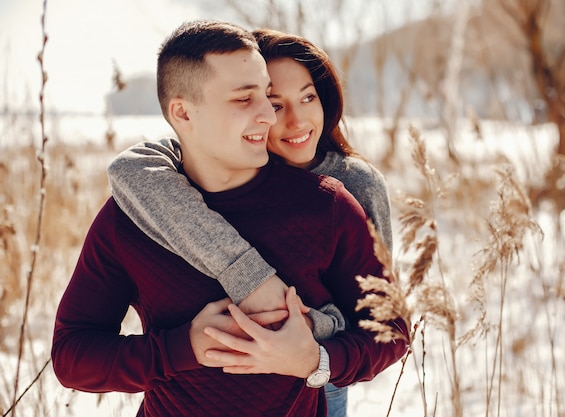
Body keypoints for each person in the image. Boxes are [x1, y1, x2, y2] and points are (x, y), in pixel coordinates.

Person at [51, 20, 407, 417]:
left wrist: (315, 359)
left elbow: (390, 332)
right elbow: (72, 356)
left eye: (265, 97)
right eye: (245, 99)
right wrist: (182, 348)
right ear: (183, 113)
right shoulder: (131, 218)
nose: (269, 117)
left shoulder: (328, 204)